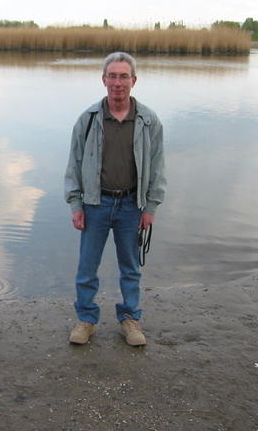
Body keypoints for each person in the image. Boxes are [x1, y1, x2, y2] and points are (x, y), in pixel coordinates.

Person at [64, 51, 166, 346]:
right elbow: (74, 164)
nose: (118, 83)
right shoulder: (88, 119)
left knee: (131, 268)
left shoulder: (148, 120)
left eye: (124, 77)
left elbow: (158, 166)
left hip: (132, 206)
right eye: (113, 76)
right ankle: (86, 320)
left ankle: (130, 319)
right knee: (86, 267)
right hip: (95, 204)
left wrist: (151, 206)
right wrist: (75, 204)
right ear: (103, 79)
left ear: (133, 81)